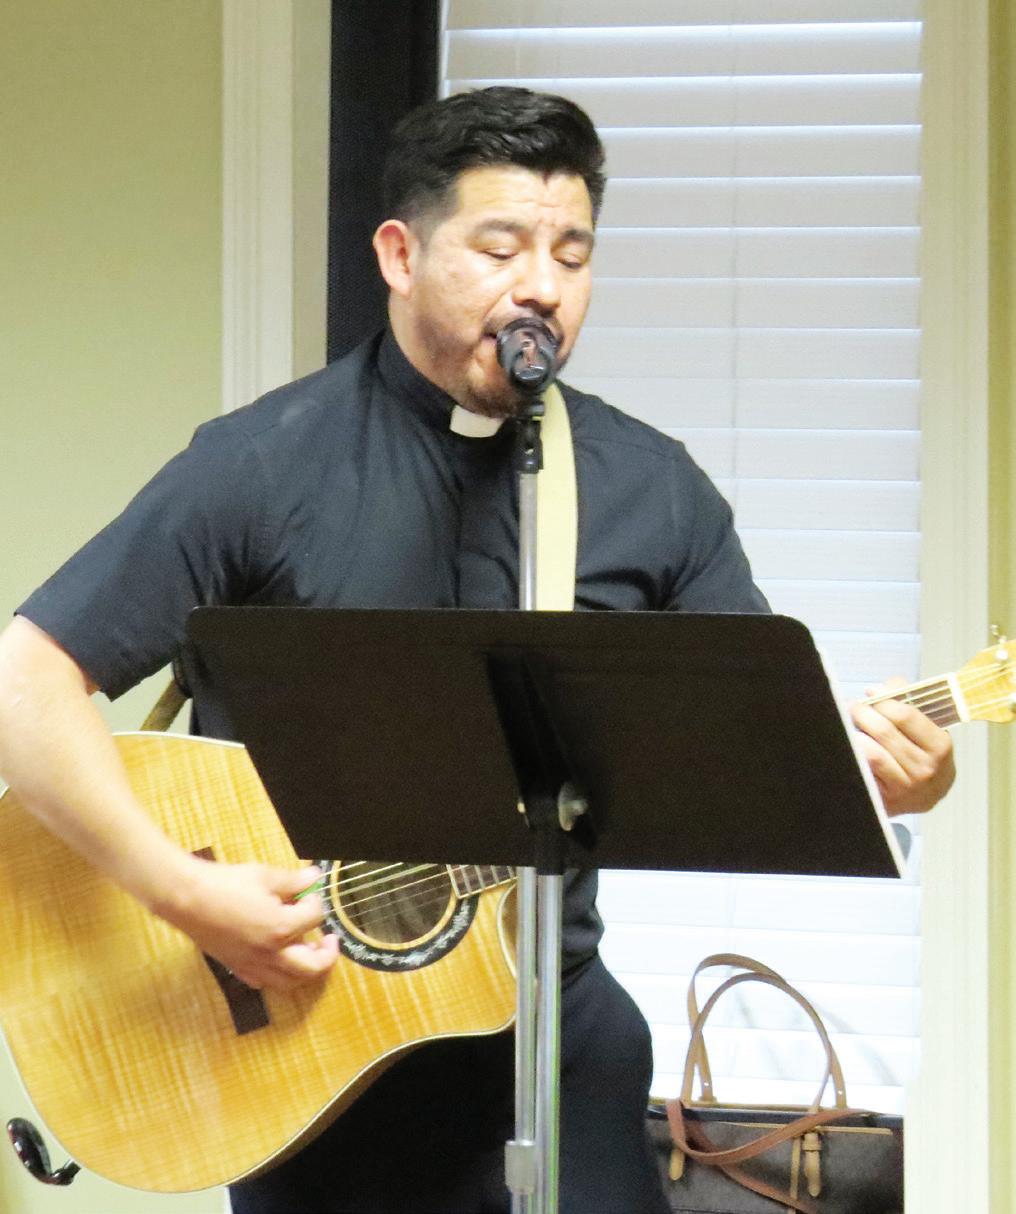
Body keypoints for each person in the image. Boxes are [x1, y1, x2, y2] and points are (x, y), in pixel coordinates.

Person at [0, 87, 954, 1213]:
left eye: (571, 254)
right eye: (500, 249)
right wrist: (184, 895)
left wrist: (892, 775)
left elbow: (764, 748)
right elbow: (27, 681)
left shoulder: (652, 491)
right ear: (400, 256)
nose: (541, 285)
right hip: (305, 1051)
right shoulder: (262, 465)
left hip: (558, 1034)